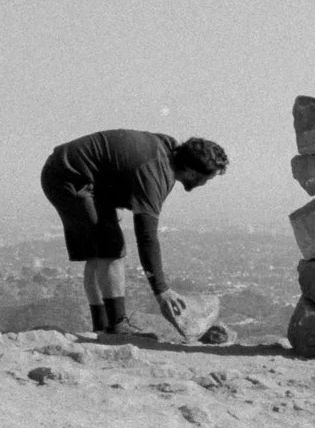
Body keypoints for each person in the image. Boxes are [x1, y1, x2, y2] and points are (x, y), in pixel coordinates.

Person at [38, 130, 227, 340]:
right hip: (69, 177)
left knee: (98, 253)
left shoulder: (168, 150)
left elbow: (123, 166)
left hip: (71, 172)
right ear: (193, 172)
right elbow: (146, 236)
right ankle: (117, 326)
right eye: (206, 178)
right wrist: (161, 289)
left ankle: (102, 326)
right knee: (111, 250)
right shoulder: (155, 173)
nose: (205, 183)